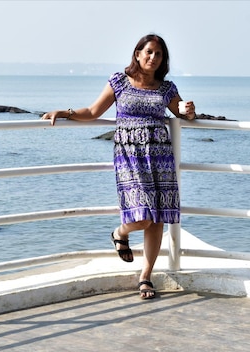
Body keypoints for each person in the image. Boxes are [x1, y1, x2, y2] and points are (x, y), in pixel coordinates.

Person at [42, 34, 196, 299]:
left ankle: (146, 276)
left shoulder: (166, 88)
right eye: (148, 52)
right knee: (142, 217)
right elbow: (92, 112)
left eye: (158, 54)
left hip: (159, 155)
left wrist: (189, 111)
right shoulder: (119, 81)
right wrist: (64, 112)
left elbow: (181, 112)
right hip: (129, 155)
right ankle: (119, 232)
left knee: (156, 217)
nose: (153, 58)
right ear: (137, 54)